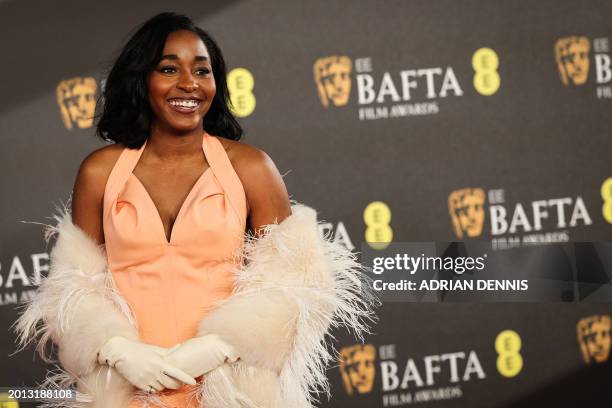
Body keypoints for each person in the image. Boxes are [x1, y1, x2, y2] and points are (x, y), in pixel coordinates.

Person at [13, 12, 377, 408]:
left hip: (228, 391)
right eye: (169, 68)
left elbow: (298, 286)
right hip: (130, 389)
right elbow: (72, 286)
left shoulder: (251, 168)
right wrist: (117, 350)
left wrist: (218, 346)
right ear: (142, 80)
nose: (188, 83)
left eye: (202, 71)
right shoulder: (100, 172)